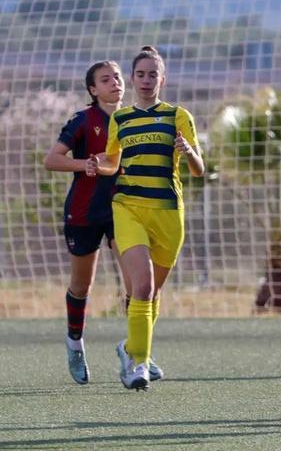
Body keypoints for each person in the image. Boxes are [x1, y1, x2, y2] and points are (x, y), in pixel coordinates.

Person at [89, 46, 205, 391]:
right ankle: (138, 364)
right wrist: (99, 166)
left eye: (152, 74)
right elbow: (113, 161)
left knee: (152, 294)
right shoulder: (120, 118)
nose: (145, 79)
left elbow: (199, 171)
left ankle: (131, 349)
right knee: (141, 287)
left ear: (162, 79)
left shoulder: (177, 116)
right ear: (133, 78)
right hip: (128, 207)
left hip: (168, 213)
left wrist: (189, 152)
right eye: (140, 74)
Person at [43, 60, 133, 385]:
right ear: (93, 90)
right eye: (105, 79)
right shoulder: (84, 120)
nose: (114, 83)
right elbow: (51, 160)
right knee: (82, 287)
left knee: (136, 285)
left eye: (118, 77)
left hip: (124, 210)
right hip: (84, 212)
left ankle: (135, 351)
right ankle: (74, 343)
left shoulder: (134, 119)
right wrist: (85, 165)